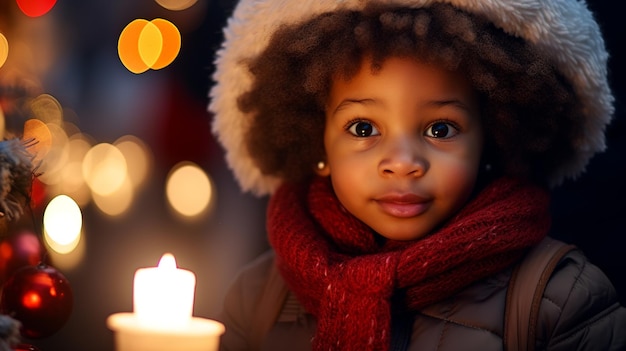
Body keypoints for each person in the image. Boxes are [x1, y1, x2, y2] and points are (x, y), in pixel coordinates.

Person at [208, 0, 626, 350]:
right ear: (318, 143)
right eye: (363, 128)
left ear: (492, 139)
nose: (404, 162)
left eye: (440, 129)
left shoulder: (558, 300)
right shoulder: (259, 295)